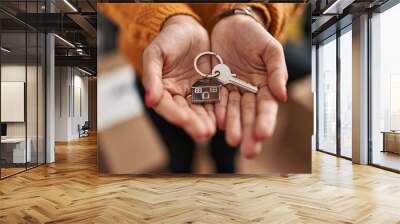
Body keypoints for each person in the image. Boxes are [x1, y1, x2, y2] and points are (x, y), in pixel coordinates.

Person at [99, 3, 304, 173]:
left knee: (226, 158)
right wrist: (168, 17)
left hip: (242, 66)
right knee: (179, 158)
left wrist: (253, 11)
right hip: (166, 77)